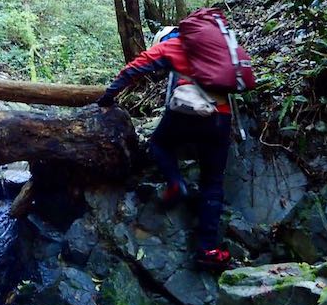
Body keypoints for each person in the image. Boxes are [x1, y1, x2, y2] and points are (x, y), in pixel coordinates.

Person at [97, 23, 233, 270]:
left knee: (159, 143)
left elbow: (134, 68)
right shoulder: (221, 47)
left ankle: (175, 182)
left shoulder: (174, 44)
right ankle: (208, 250)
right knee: (212, 182)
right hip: (219, 115)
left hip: (185, 113)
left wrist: (108, 96)